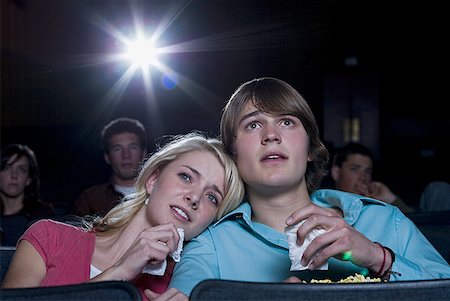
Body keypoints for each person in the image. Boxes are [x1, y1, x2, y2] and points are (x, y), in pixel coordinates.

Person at [167, 77, 450, 298]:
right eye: (253, 125)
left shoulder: (386, 221)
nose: (271, 136)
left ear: (312, 149)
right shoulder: (211, 248)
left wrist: (379, 257)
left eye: (287, 122)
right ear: (233, 154)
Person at [1, 132, 244, 300]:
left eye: (212, 197)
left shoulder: (178, 288)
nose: (194, 197)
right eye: (186, 177)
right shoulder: (49, 237)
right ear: (153, 180)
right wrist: (118, 275)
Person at [71, 117, 148, 217]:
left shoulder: (160, 191)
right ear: (107, 157)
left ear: (144, 153)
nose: (126, 155)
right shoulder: (90, 199)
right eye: (117, 149)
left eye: (132, 147)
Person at [329, 142, 415, 213]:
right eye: (354, 169)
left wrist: (391, 199)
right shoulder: (323, 207)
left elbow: (417, 228)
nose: (363, 177)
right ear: (336, 172)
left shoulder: (378, 209)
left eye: (367, 171)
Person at [0, 144, 55, 246]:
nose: (14, 175)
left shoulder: (43, 215)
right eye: (7, 168)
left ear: (29, 179)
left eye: (22, 170)